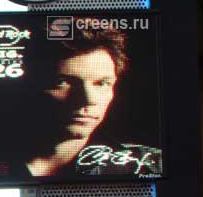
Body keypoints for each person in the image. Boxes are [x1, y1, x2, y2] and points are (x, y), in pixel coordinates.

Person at [22, 23, 162, 178]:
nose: (89, 99)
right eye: (63, 82)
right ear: (31, 83)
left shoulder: (148, 166)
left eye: (102, 83)